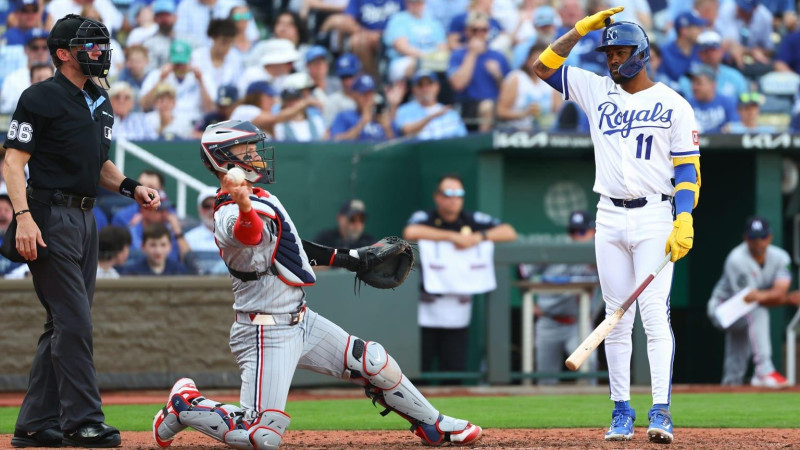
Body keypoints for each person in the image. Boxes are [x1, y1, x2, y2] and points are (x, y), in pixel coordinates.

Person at [151, 119, 483, 449]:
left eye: (253, 147)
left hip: (301, 319)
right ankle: (186, 405)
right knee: (261, 436)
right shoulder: (226, 212)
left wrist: (350, 257)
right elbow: (248, 234)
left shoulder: (262, 196)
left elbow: (291, 247)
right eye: (246, 149)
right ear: (224, 159)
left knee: (372, 362)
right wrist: (243, 204)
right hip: (264, 332)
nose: (255, 154)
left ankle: (433, 425)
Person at [532, 8, 701, 444]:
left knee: (653, 317)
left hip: (654, 216)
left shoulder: (673, 104)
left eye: (619, 51)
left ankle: (660, 412)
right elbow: (543, 66)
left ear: (640, 54)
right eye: (607, 52)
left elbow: (687, 171)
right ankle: (621, 411)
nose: (611, 59)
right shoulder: (596, 90)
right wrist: (579, 30)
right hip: (608, 214)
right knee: (615, 318)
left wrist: (684, 216)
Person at [2, 14, 161, 448]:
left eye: (100, 44)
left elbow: (98, 164)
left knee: (62, 323)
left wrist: (131, 187)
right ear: (62, 54)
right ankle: (82, 420)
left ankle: (34, 424)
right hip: (48, 215)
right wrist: (23, 218)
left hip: (86, 218)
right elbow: (13, 162)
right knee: (74, 322)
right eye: (88, 46)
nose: (98, 52)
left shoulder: (101, 100)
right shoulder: (39, 96)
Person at [402, 174, 517, 384]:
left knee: (453, 374)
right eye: (448, 194)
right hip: (425, 307)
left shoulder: (471, 219)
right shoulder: (424, 216)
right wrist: (452, 236)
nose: (454, 199)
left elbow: (508, 232)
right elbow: (410, 231)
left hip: (459, 309)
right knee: (418, 374)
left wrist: (478, 237)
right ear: (437, 197)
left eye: (459, 194)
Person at [706, 216, 799, 388]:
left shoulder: (780, 258)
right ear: (746, 238)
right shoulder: (736, 259)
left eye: (762, 237)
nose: (758, 242)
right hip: (722, 308)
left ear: (770, 237)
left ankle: (730, 386)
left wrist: (774, 296)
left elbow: (777, 292)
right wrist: (787, 299)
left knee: (739, 349)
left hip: (745, 312)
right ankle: (764, 370)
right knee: (757, 311)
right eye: (753, 237)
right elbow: (750, 299)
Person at [518, 210, 600, 385]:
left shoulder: (601, 253)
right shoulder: (554, 252)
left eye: (582, 232)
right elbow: (522, 270)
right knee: (545, 377)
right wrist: (530, 304)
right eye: (573, 232)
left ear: (593, 232)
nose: (576, 237)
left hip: (580, 323)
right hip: (549, 321)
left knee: (589, 366)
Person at [447, 11, 510, 132]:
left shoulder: (498, 56)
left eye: (484, 30)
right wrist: (472, 54)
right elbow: (458, 85)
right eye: (475, 30)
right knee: (487, 106)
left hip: (497, 105)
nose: (480, 33)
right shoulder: (458, 55)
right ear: (467, 31)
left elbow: (509, 91)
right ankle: (483, 142)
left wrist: (497, 76)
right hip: (468, 104)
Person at [394, 69, 468, 140]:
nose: (425, 89)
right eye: (420, 85)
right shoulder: (405, 110)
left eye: (429, 84)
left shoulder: (450, 114)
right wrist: (431, 117)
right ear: (414, 89)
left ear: (437, 87)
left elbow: (463, 140)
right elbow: (406, 131)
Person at [329, 73, 395, 141]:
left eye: (370, 94)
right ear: (355, 96)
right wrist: (362, 123)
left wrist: (387, 128)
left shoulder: (381, 116)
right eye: (364, 94)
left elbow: (396, 145)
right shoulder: (344, 116)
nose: (368, 98)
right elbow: (336, 141)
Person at [123, 223, 191, 275]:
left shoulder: (180, 271)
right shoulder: (132, 272)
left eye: (163, 245)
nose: (158, 251)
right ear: (143, 246)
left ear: (170, 246)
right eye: (153, 245)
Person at [687, 64, 739, 133]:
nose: (694, 87)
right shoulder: (686, 104)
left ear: (712, 85)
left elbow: (736, 128)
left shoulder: (728, 102)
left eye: (699, 83)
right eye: (693, 83)